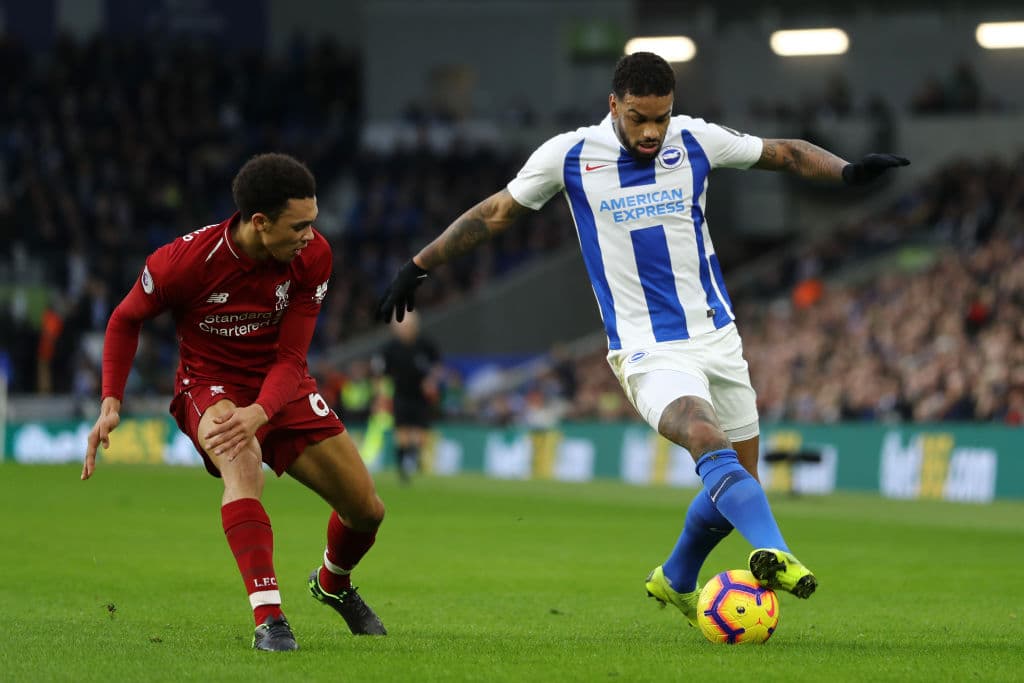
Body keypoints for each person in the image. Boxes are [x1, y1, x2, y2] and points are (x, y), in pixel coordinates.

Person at [378, 52, 909, 629]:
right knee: (703, 434)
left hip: (717, 337)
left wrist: (848, 171)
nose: (652, 131)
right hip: (645, 348)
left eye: (661, 117)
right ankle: (777, 552)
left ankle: (676, 578)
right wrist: (419, 264)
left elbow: (784, 153)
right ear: (613, 106)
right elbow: (499, 211)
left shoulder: (697, 141)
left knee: (736, 486)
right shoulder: (571, 155)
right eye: (638, 118)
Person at [82, 153, 388, 651]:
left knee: (367, 511)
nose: (311, 236)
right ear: (260, 222)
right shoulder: (183, 263)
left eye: (314, 222)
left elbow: (291, 359)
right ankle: (270, 620)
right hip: (210, 385)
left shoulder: (314, 257)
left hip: (281, 387)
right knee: (242, 464)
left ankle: (333, 582)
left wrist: (262, 411)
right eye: (300, 225)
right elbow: (123, 319)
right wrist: (111, 401)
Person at [374, 310, 442, 483]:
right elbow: (381, 374)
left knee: (421, 435)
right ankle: (402, 469)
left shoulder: (425, 345)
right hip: (400, 395)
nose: (405, 330)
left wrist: (431, 381)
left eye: (407, 326)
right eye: (401, 327)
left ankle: (414, 459)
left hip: (421, 396)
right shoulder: (390, 349)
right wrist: (381, 396)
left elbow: (437, 366)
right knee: (402, 432)